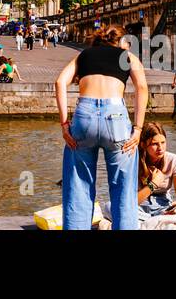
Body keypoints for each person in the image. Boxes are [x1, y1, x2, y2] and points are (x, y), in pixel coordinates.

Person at [55, 23, 147, 230]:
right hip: (116, 116)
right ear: (122, 42)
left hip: (84, 114)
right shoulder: (127, 57)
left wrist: (64, 124)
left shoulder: (84, 55)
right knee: (123, 188)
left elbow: (60, 82)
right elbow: (141, 88)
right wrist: (138, 129)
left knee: (78, 187)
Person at [137, 123, 176, 228]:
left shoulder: (173, 160)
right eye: (154, 144)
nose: (160, 148)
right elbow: (132, 202)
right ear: (143, 145)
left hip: (163, 209)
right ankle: (157, 223)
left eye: (163, 142)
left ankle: (149, 223)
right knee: (110, 206)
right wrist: (153, 184)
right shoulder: (133, 162)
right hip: (139, 207)